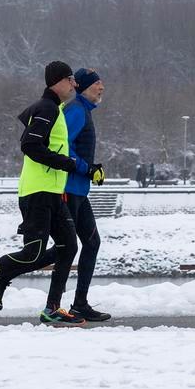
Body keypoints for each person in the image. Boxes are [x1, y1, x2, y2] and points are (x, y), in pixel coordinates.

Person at [0, 60, 85, 326]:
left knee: (68, 246)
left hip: (51, 192)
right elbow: (30, 145)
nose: (74, 84)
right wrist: (69, 164)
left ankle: (51, 308)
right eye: (70, 79)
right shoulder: (47, 109)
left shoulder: (53, 109)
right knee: (33, 252)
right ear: (57, 81)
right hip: (37, 192)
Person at [61, 67, 109, 322]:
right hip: (67, 190)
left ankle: (80, 304)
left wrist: (91, 170)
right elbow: (62, 148)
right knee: (60, 249)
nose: (101, 88)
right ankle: (53, 306)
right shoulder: (76, 111)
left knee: (91, 243)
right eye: (96, 84)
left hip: (79, 191)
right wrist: (87, 168)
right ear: (83, 87)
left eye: (102, 83)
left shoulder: (83, 111)